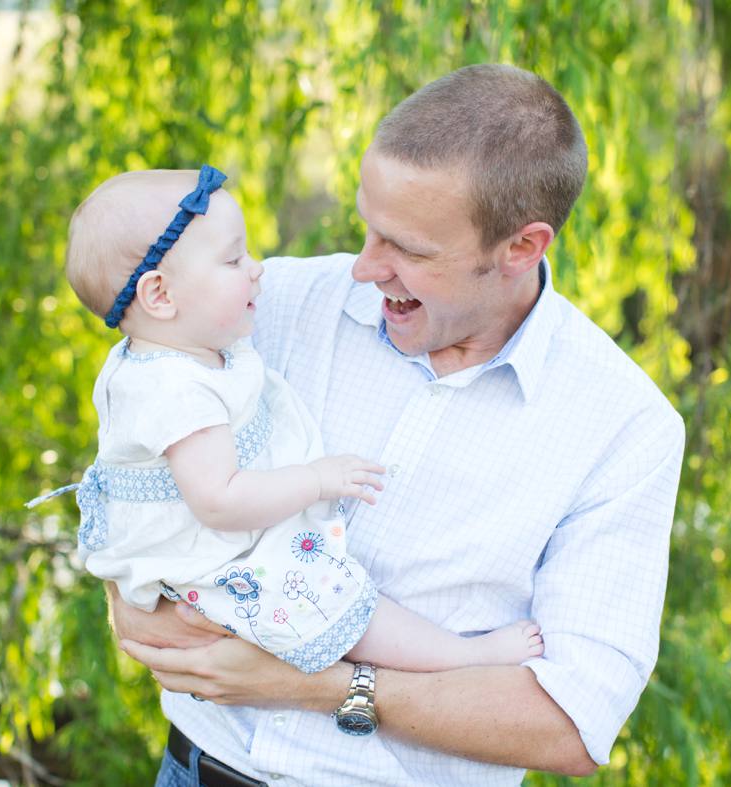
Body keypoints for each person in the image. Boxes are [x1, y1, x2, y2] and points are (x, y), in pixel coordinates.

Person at [113, 64, 685, 786]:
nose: (362, 267)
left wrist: (319, 684)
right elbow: (135, 447)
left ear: (522, 249)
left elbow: (569, 723)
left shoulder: (623, 427)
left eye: (408, 250)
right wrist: (130, 594)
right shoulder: (274, 305)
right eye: (368, 228)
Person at [38, 166, 545, 679]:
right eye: (234, 259)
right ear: (161, 297)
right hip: (212, 556)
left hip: (217, 541)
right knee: (338, 603)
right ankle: (464, 656)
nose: (258, 270)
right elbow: (220, 500)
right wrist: (318, 479)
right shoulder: (176, 391)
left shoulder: (181, 346)